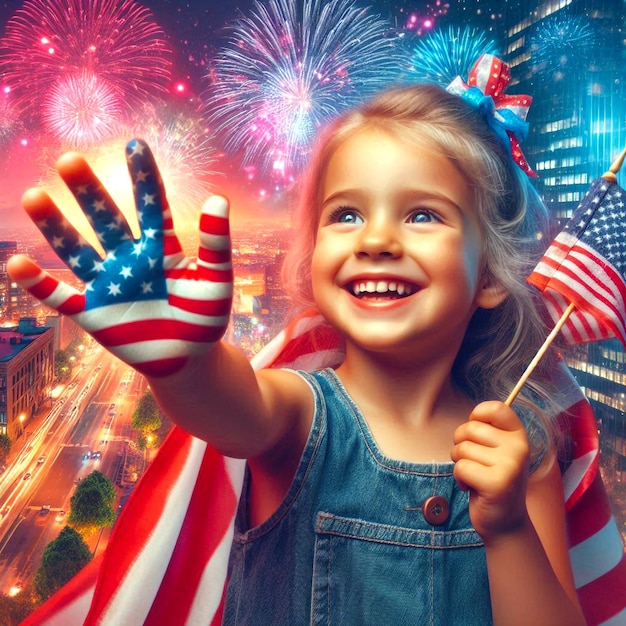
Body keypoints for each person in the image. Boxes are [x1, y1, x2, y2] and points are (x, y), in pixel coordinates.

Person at [8, 55, 586, 625]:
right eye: (346, 215)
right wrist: (186, 366)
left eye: (423, 216)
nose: (377, 238)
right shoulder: (300, 412)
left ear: (488, 274)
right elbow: (227, 403)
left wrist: (509, 528)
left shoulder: (523, 453)